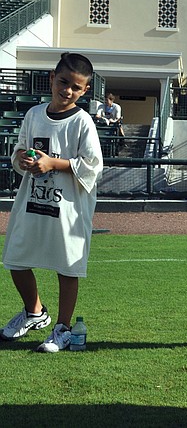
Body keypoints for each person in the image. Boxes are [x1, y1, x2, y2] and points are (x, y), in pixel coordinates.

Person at [1, 52, 104, 352]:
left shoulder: (83, 122)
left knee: (67, 267)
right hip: (32, 203)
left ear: (84, 91)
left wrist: (53, 164)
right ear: (51, 78)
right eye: (63, 82)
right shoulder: (34, 115)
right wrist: (23, 158)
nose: (67, 90)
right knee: (15, 260)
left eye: (76, 86)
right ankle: (34, 312)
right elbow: (19, 152)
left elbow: (93, 165)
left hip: (68, 211)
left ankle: (63, 327)